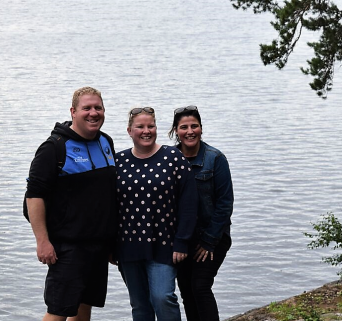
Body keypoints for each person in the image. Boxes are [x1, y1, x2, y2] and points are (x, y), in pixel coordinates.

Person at [25, 86, 117, 321]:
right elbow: (34, 196)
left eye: (98, 107)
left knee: (84, 307)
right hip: (67, 247)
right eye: (86, 108)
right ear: (73, 111)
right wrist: (42, 241)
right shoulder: (54, 148)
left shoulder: (106, 142)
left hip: (98, 246)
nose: (93, 113)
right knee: (58, 311)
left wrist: (111, 241)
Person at [115, 106, 197, 321]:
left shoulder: (173, 157)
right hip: (128, 245)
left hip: (165, 244)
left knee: (163, 297)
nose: (146, 131)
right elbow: (110, 207)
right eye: (140, 127)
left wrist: (182, 241)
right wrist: (109, 246)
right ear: (129, 130)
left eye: (150, 126)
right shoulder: (118, 162)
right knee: (140, 305)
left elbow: (189, 203)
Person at [168, 105, 234, 321]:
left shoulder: (215, 159)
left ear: (201, 129)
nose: (190, 131)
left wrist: (209, 242)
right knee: (186, 290)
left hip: (212, 237)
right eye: (184, 127)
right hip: (182, 240)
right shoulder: (169, 159)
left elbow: (225, 203)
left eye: (194, 126)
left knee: (200, 286)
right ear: (176, 131)